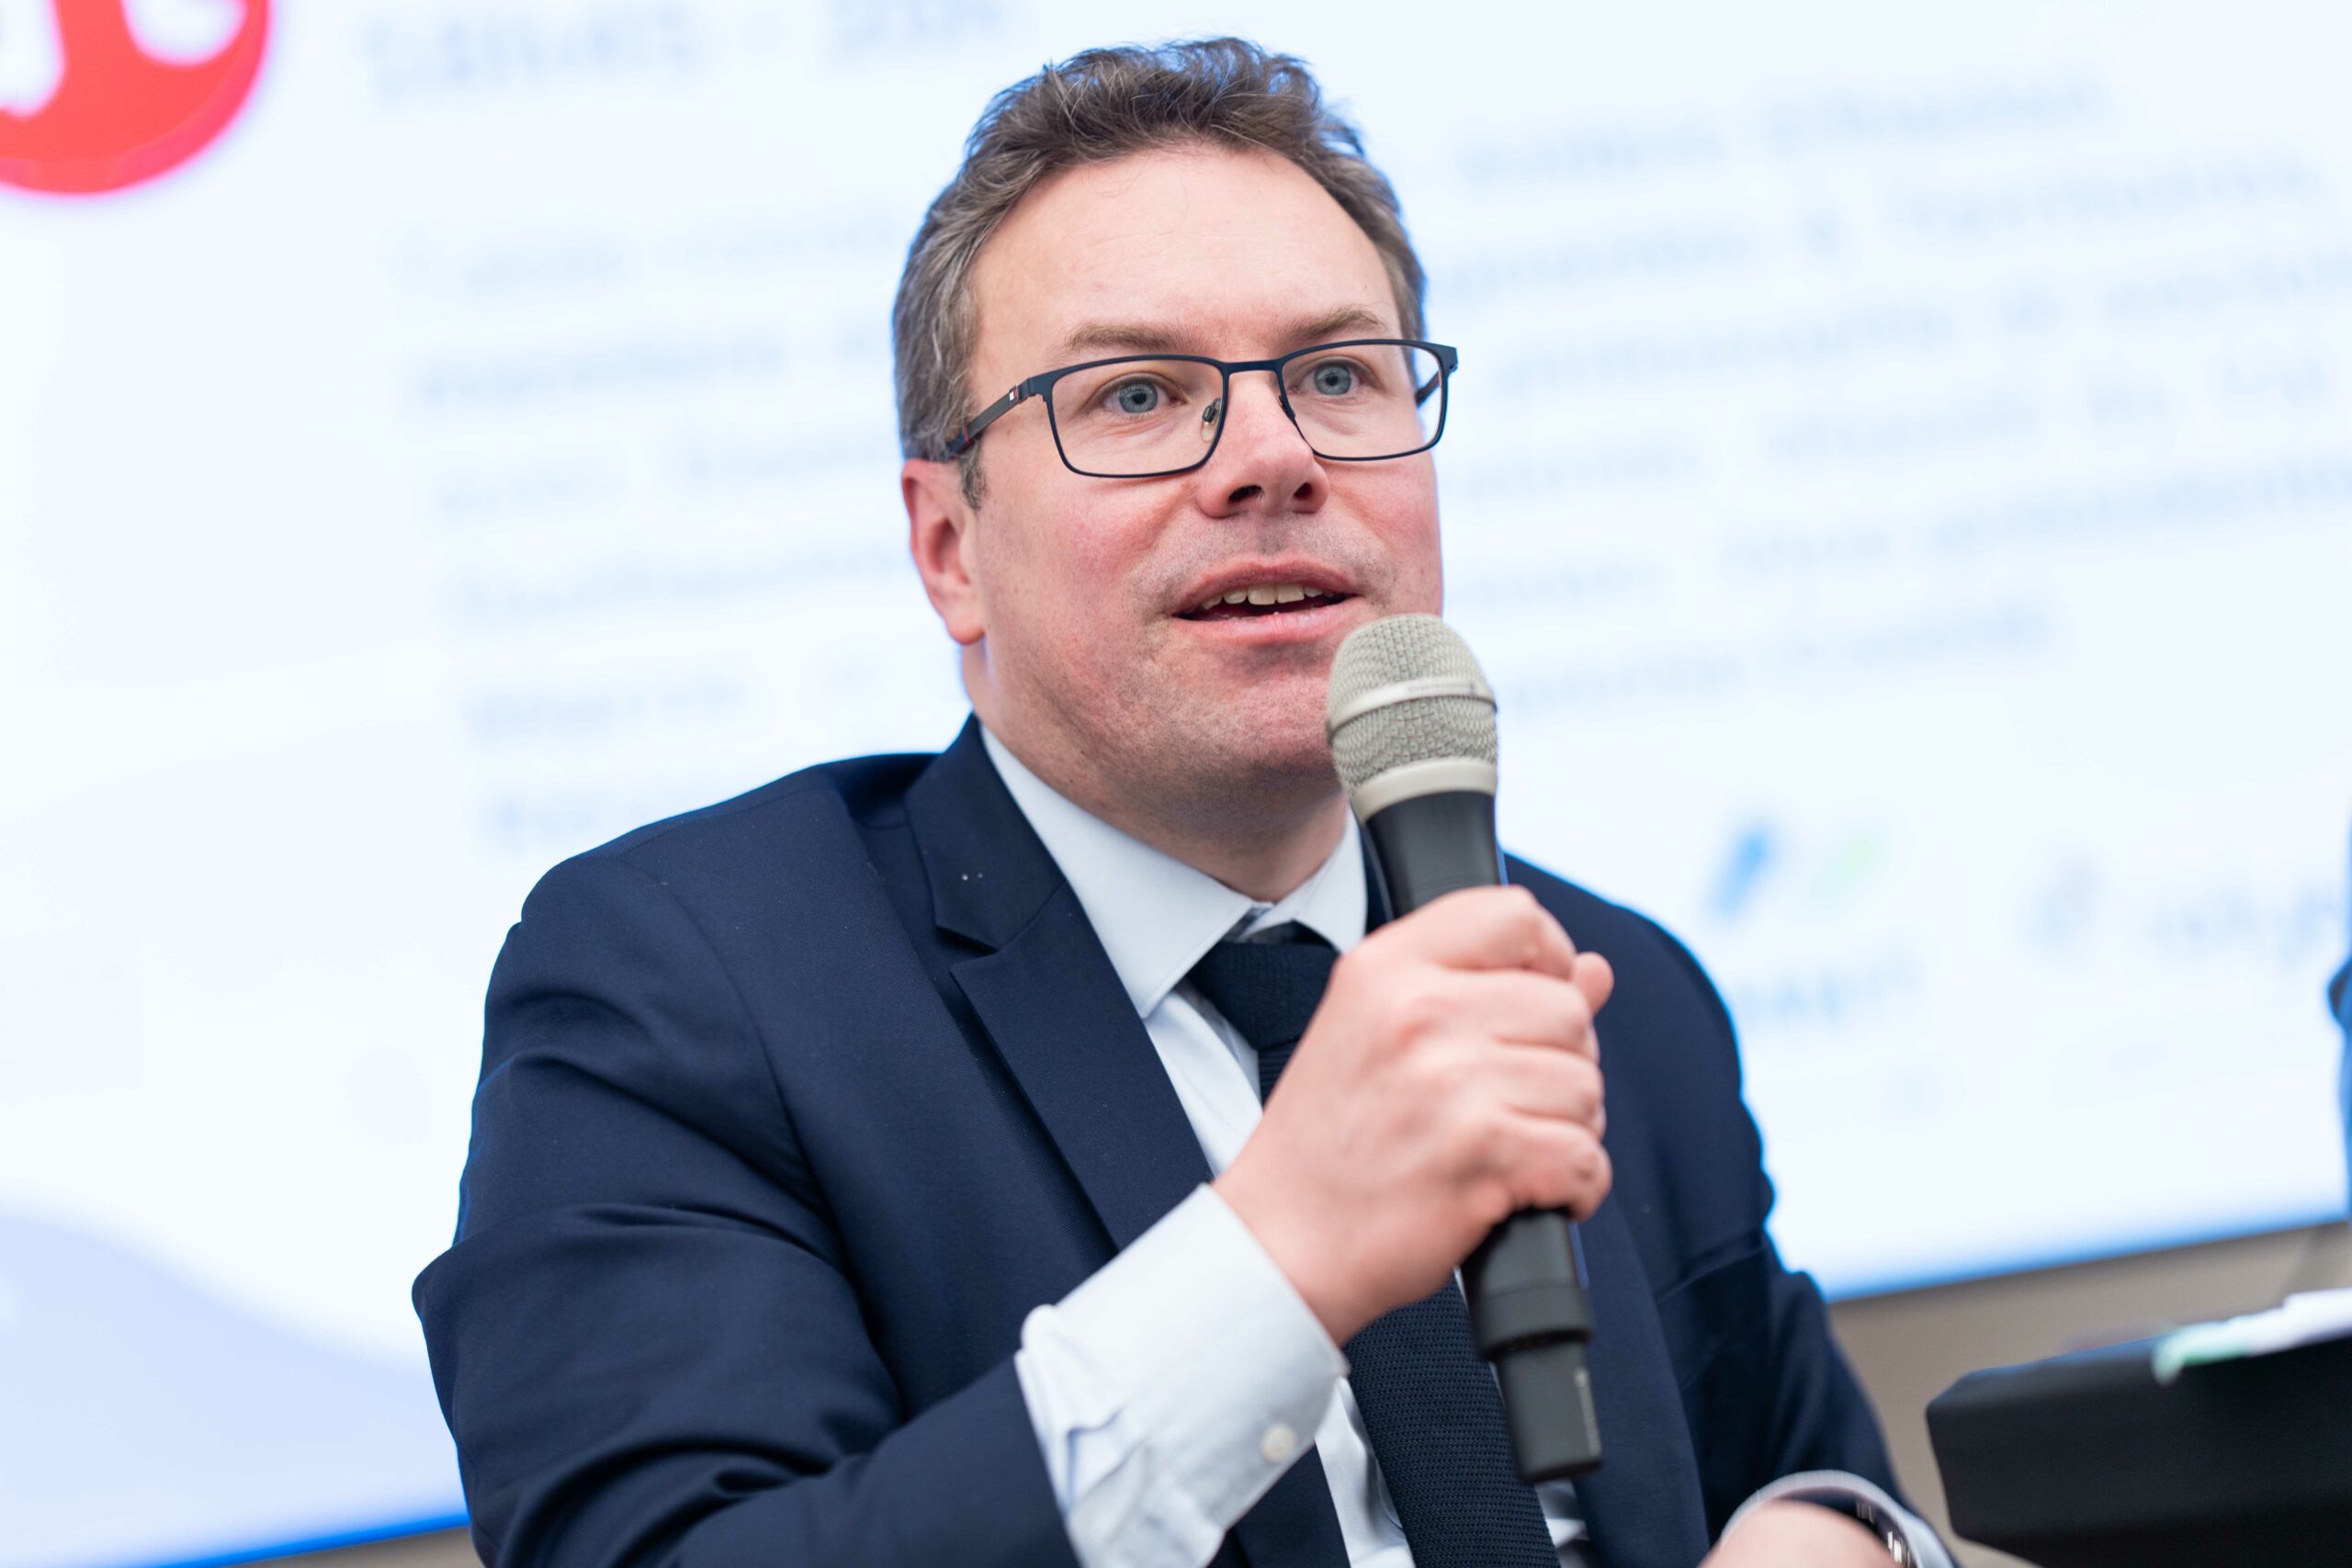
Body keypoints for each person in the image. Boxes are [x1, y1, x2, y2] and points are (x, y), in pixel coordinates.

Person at [414, 39, 1951, 1568]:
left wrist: (1856, 1543)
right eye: (1139, 395)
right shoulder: (691, 996)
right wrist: (1279, 1253)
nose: (1275, 460)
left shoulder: (1610, 992)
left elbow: (1806, 1472)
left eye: (1337, 376)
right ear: (950, 548)